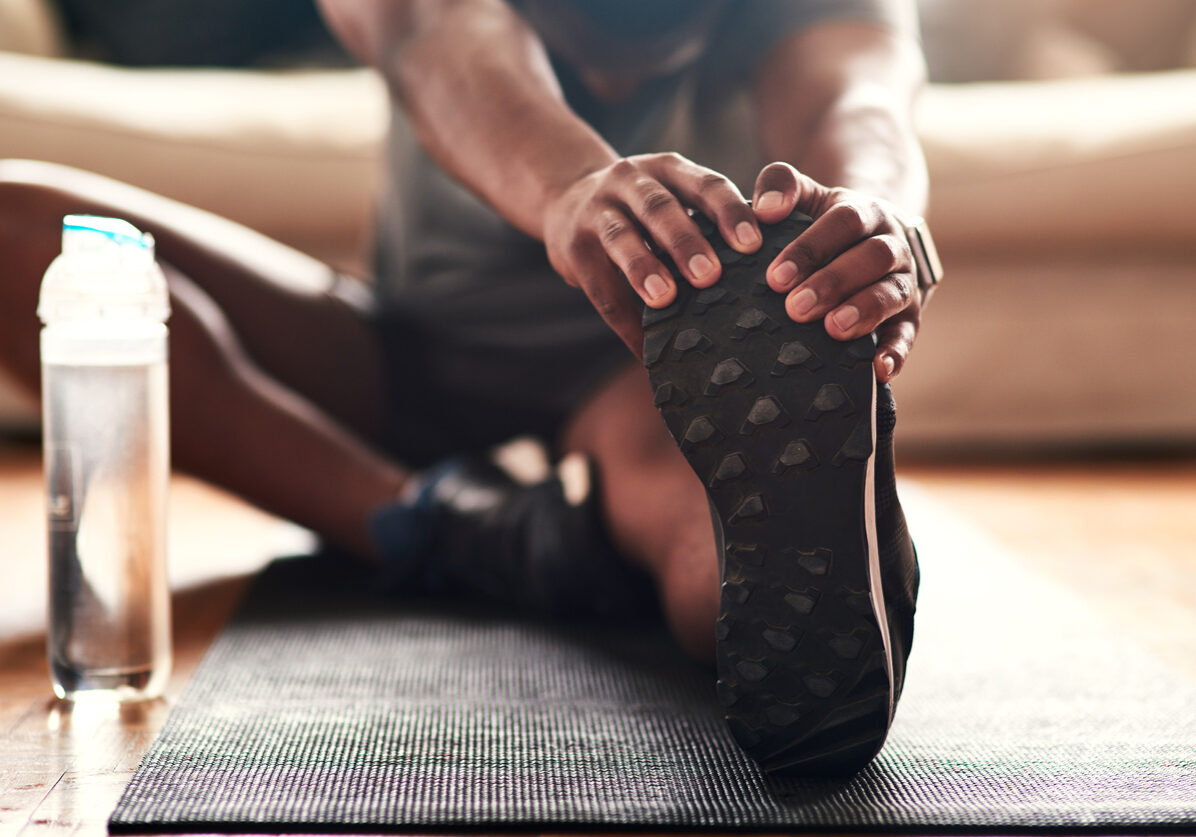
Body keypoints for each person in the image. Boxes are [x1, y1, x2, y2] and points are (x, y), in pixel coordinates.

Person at [0, 0, 935, 775]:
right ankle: (450, 525)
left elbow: (855, 101)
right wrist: (574, 186)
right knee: (16, 232)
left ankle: (819, 546)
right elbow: (433, 34)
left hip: (643, 379)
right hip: (400, 357)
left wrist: (872, 213)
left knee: (728, 554)